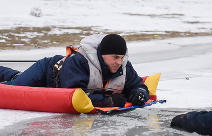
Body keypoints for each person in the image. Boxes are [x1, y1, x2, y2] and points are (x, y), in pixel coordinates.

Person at [0, 34, 149, 107]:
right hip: (47, 71)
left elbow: (138, 85)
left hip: (58, 78)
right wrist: (108, 101)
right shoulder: (80, 61)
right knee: (14, 85)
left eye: (122, 57)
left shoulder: (124, 66)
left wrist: (139, 93)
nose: (119, 62)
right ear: (102, 55)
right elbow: (73, 95)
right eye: (115, 57)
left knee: (16, 77)